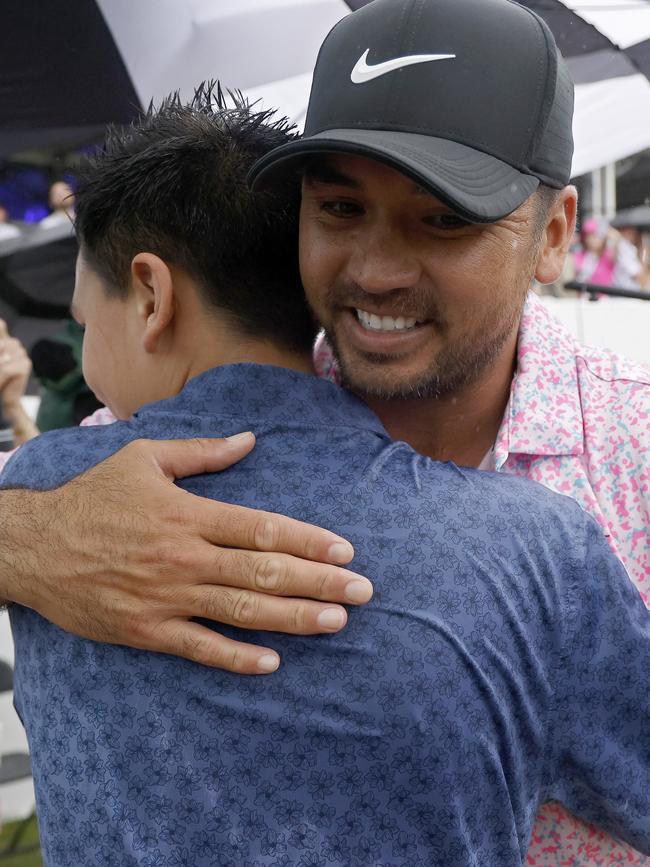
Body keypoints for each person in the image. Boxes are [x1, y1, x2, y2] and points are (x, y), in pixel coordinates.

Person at [0, 0, 647, 860]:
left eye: (444, 218)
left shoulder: (631, 449)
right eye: (340, 208)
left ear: (555, 234)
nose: (375, 272)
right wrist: (27, 531)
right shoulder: (146, 446)